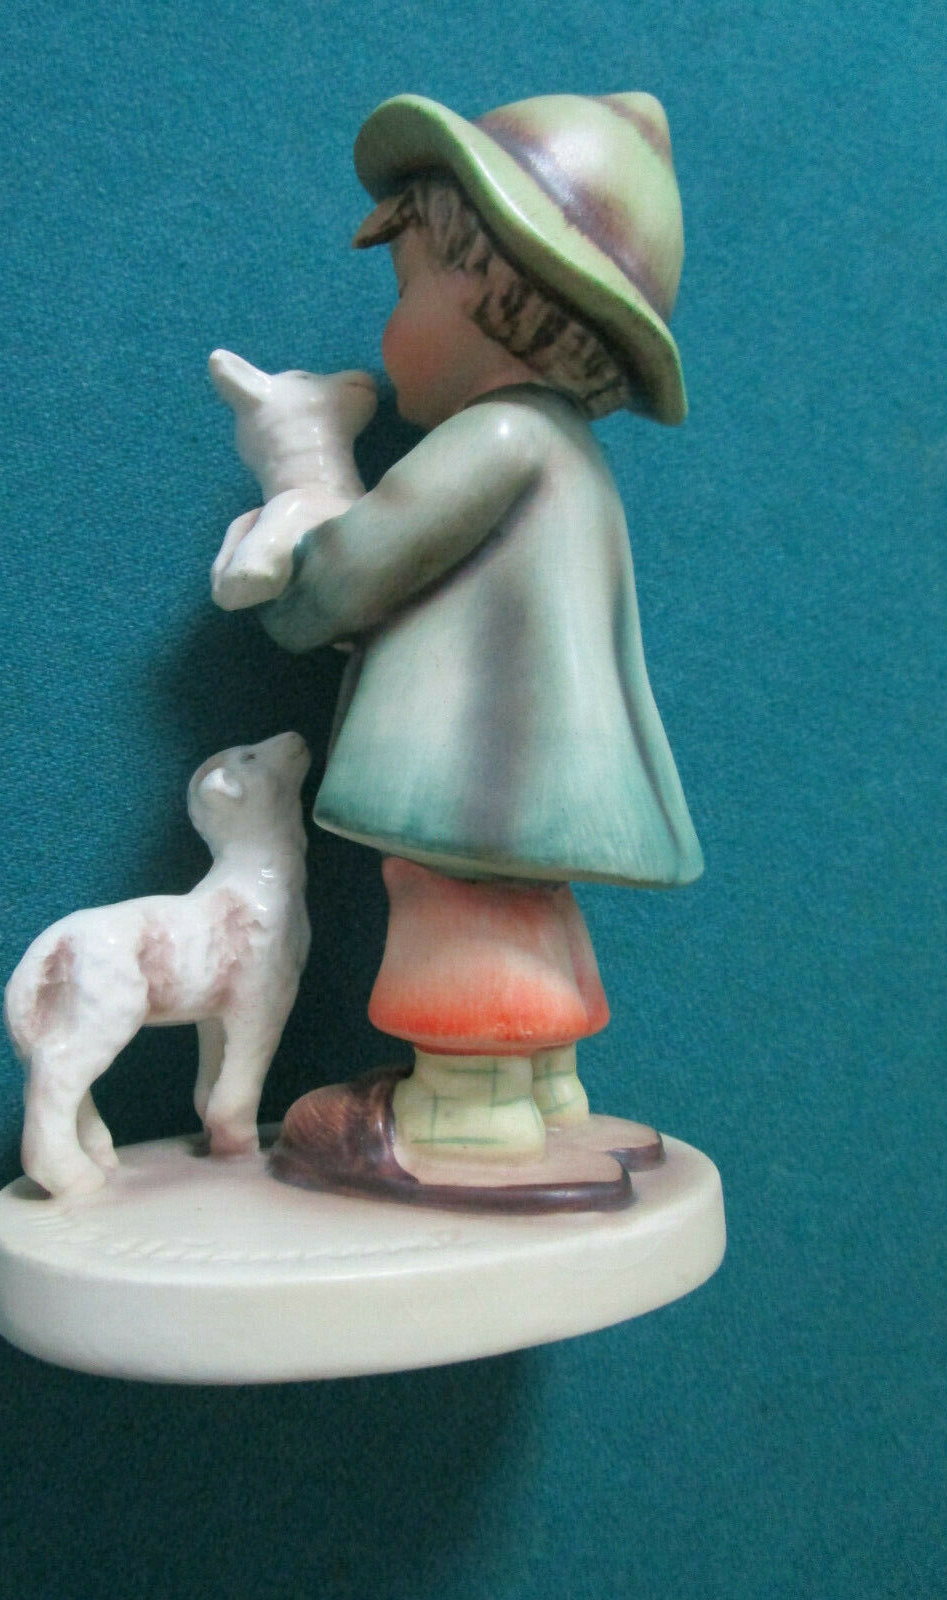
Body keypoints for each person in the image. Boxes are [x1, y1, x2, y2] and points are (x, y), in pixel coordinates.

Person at [229, 91, 703, 1209]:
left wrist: (294, 576)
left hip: (483, 772)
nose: (388, 334)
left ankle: (466, 1106)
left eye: (405, 292)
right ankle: (545, 1085)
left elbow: (359, 567)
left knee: (452, 897)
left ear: (500, 294)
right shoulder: (571, 455)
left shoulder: (494, 436)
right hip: (552, 779)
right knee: (525, 901)